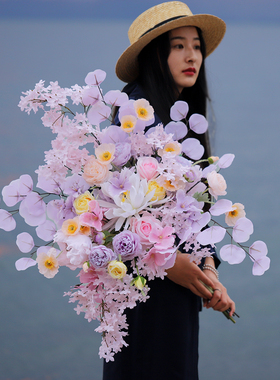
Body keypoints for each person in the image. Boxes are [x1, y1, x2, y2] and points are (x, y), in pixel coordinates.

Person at [103, 2, 235, 379]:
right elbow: (114, 206)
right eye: (178, 46)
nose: (192, 55)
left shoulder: (182, 116)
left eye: (196, 46)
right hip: (143, 287)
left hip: (177, 282)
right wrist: (170, 261)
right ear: (154, 55)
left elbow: (197, 208)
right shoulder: (134, 109)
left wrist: (208, 270)